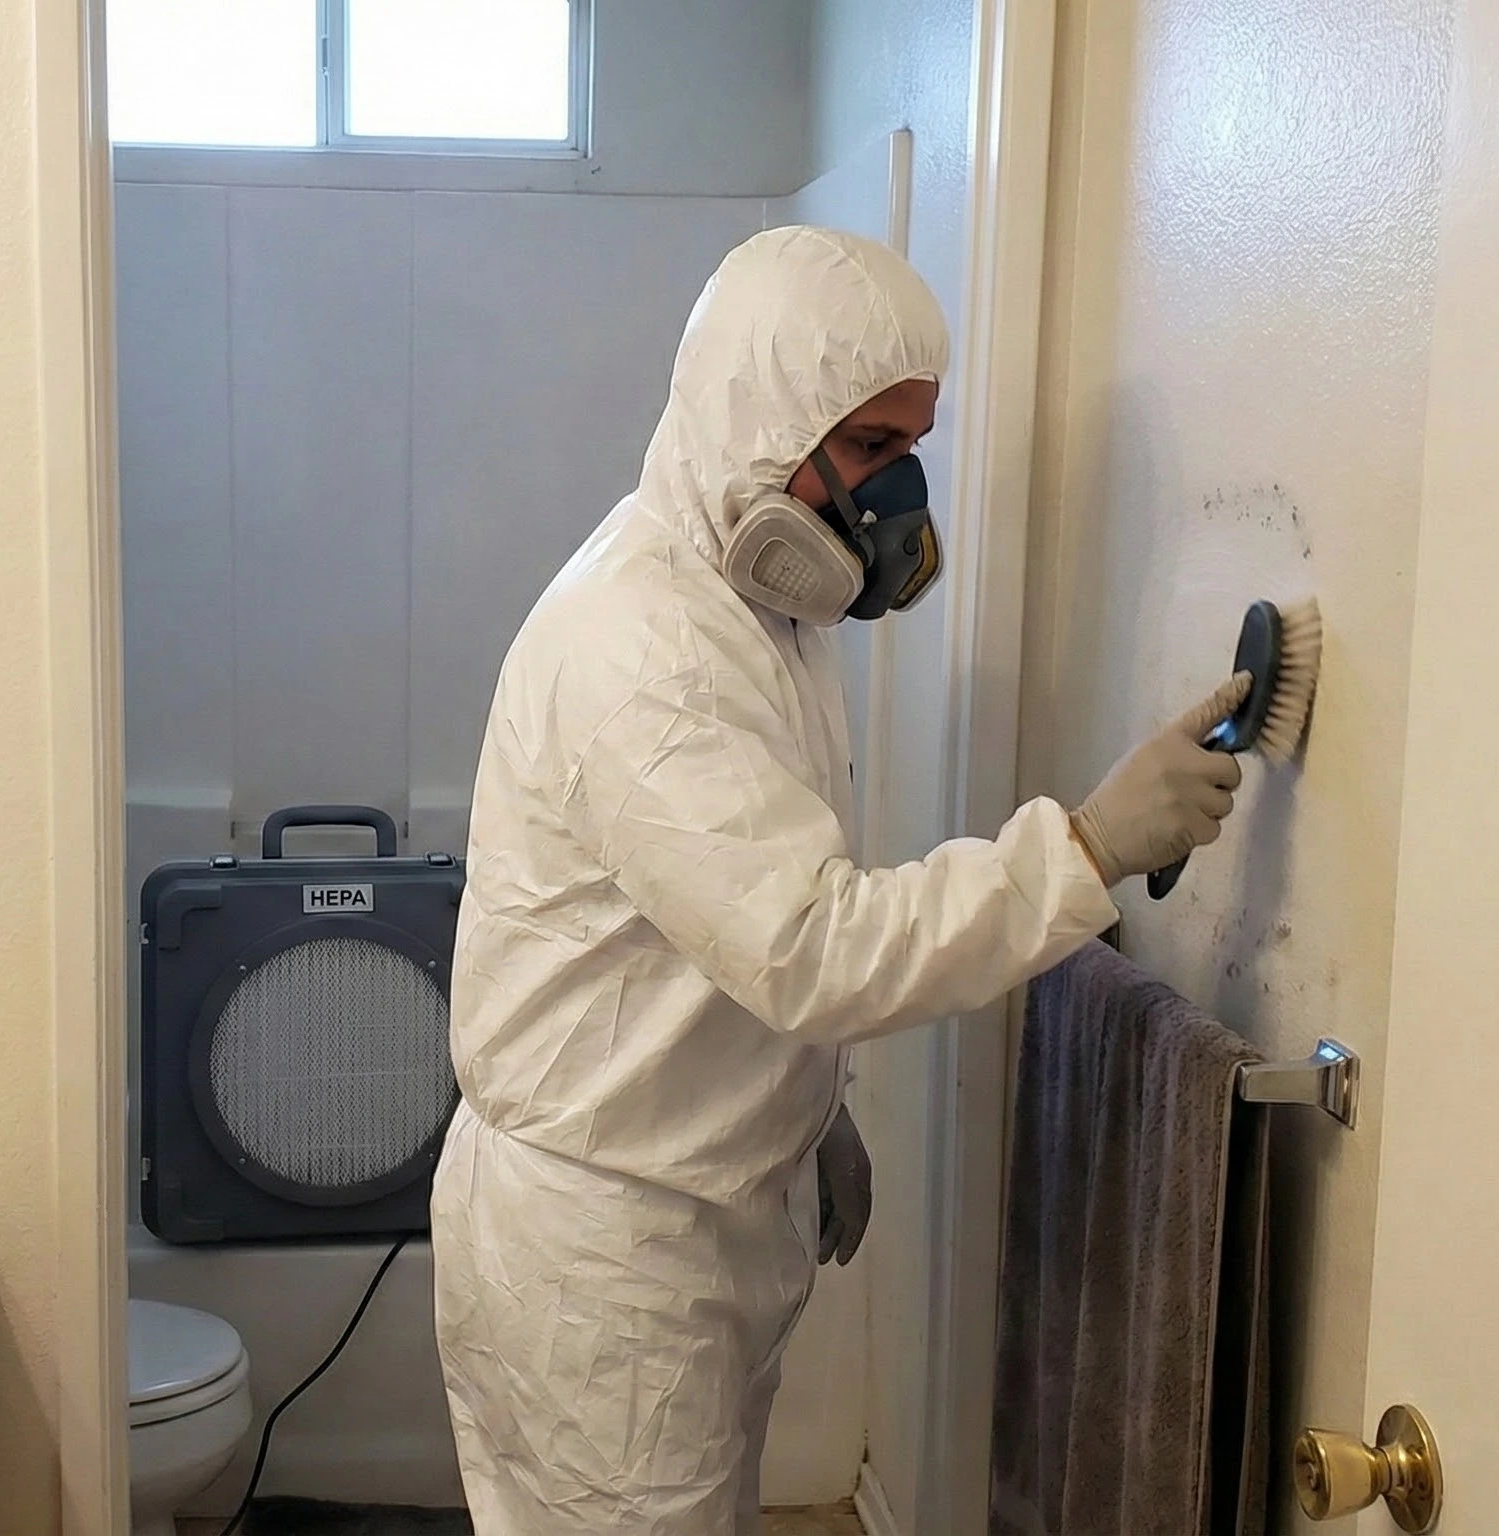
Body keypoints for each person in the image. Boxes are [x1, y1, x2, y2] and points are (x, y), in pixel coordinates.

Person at [431, 226, 1249, 1534]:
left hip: (690, 1202)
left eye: (911, 449)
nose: (895, 497)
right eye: (870, 451)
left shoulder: (763, 616)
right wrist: (1083, 850)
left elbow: (736, 909)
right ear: (760, 429)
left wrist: (804, 1111)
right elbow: (810, 945)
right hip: (608, 1253)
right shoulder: (646, 645)